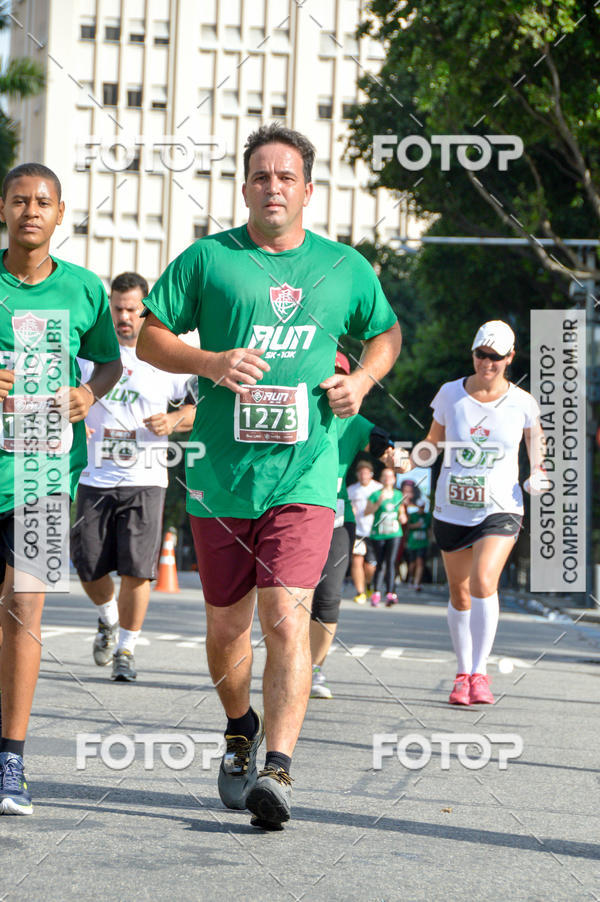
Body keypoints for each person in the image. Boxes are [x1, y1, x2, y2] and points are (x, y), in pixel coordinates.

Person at [136, 123, 401, 828]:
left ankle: (278, 769)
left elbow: (386, 332)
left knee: (284, 615)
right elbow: (151, 334)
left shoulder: (345, 267)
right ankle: (239, 728)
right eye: (261, 175)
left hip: (304, 475)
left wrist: (365, 380)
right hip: (221, 477)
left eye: (287, 176)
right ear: (246, 186)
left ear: (308, 190)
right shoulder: (209, 260)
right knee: (225, 629)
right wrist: (210, 362)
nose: (273, 186)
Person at [0, 163, 121, 814]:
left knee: (25, 611)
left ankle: (11, 759)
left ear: (60, 211)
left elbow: (109, 360)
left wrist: (87, 392)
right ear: (2, 208)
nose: (31, 212)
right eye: (19, 201)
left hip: (46, 473)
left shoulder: (82, 289)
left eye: (42, 202)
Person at [398, 320, 544, 706]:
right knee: (460, 593)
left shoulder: (523, 402)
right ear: (473, 353)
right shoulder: (450, 394)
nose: (487, 363)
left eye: (496, 357)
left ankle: (481, 673)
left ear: (510, 358)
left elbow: (536, 446)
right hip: (453, 507)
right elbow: (433, 441)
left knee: (483, 581)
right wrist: (411, 459)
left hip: (501, 508)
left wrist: (539, 473)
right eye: (481, 354)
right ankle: (463, 673)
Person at [71, 272, 196, 682]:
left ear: (145, 311)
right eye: (117, 309)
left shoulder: (164, 359)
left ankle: (127, 648)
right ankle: (108, 618)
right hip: (93, 476)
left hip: (146, 478)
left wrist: (176, 418)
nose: (124, 317)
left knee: (137, 571)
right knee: (87, 565)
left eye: (132, 310)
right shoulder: (89, 358)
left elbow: (203, 406)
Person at [310, 351, 395, 699]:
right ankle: (287, 663)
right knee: (287, 599)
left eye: (341, 375)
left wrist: (396, 457)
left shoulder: (352, 422)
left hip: (335, 520)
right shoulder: (290, 411)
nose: (334, 383)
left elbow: (384, 445)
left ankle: (314, 670)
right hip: (288, 517)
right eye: (326, 374)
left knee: (328, 599)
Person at [364, 468, 407, 607]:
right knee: (380, 562)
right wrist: (378, 502)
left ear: (394, 479)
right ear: (381, 479)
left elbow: (403, 515)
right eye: (385, 476)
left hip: (394, 533)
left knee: (391, 561)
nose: (388, 479)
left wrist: (402, 516)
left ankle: (390, 593)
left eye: (390, 476)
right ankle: (376, 592)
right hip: (379, 533)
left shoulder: (398, 494)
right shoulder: (375, 494)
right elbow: (366, 512)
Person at [347, 462, 381, 604]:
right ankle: (360, 592)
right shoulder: (351, 490)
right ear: (357, 475)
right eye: (360, 473)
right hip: (358, 531)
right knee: (357, 560)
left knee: (371, 566)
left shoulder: (378, 488)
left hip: (374, 531)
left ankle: (368, 584)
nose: (363, 475)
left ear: (371, 474)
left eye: (366, 473)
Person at [406, 499, 431, 592]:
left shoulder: (428, 516)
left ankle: (417, 583)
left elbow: (430, 528)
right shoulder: (413, 515)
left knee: (420, 562)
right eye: (420, 507)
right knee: (412, 563)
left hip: (423, 543)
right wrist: (415, 525)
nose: (421, 509)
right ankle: (411, 578)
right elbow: (407, 526)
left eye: (423, 507)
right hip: (413, 543)